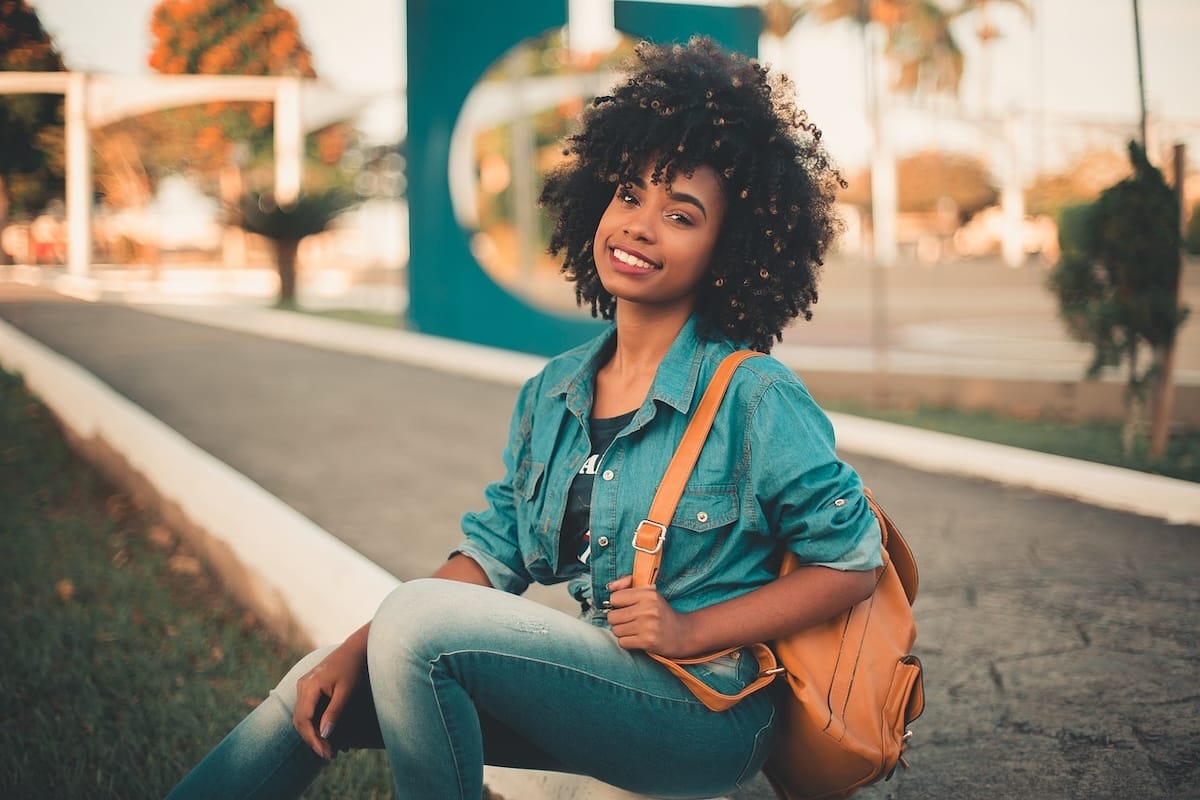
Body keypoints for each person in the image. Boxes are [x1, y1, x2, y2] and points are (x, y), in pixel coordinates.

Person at [166, 37, 882, 800]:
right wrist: (352, 651)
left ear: (728, 248)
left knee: (415, 620)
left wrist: (689, 631)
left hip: (712, 714)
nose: (640, 225)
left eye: (681, 214)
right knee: (324, 685)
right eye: (630, 195)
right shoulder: (554, 394)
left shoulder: (753, 394)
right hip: (605, 687)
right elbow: (489, 556)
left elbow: (851, 565)